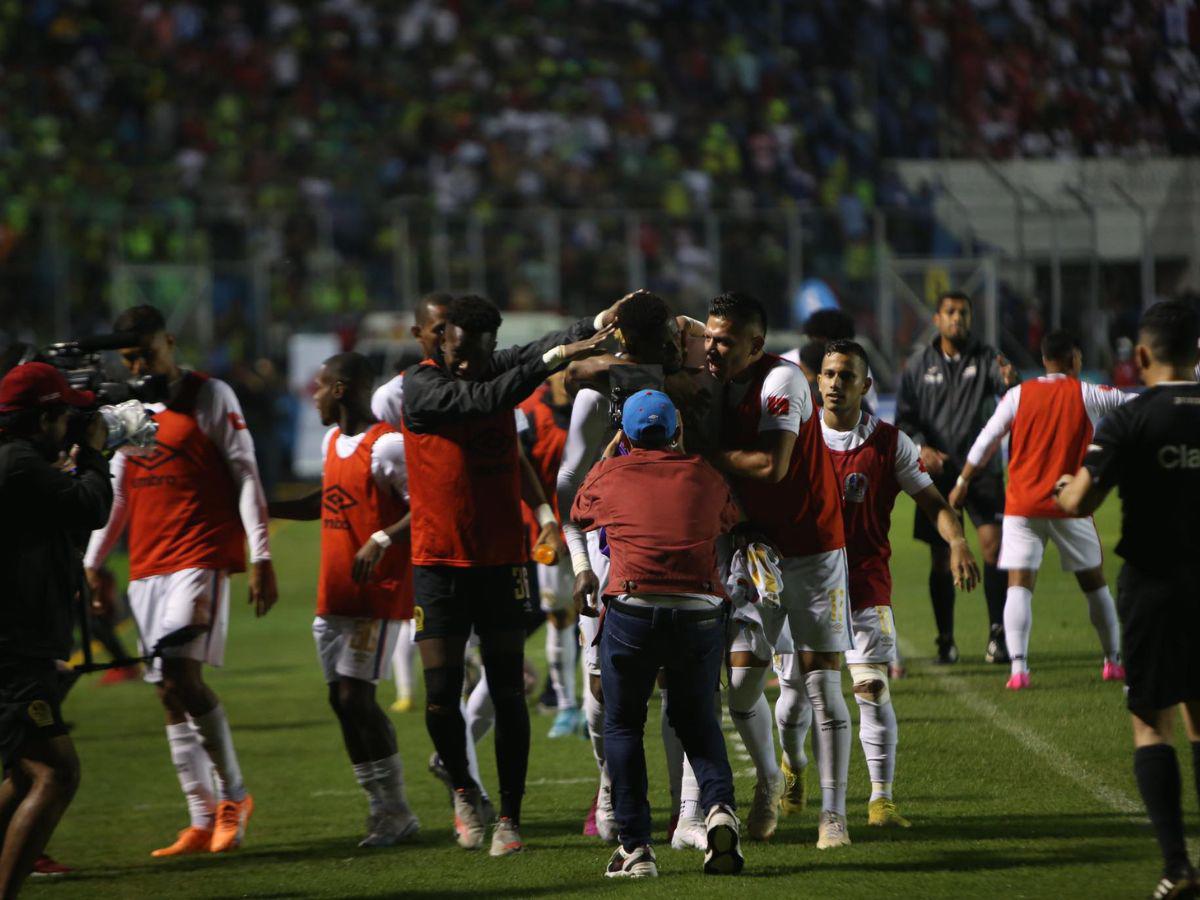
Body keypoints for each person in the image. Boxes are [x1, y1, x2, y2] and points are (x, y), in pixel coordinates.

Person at [400, 293, 612, 856]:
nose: (467, 362)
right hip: (438, 562)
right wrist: (558, 358)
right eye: (458, 349)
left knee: (507, 690)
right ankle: (467, 790)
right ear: (441, 341)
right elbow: (490, 394)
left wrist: (596, 321)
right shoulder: (422, 387)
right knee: (441, 696)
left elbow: (537, 349)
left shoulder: (493, 364)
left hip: (501, 561)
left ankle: (510, 818)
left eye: (479, 351)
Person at [83, 305, 278, 858]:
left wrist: (260, 554)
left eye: (147, 351)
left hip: (200, 556)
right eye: (129, 357)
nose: (140, 362)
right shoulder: (128, 407)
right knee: (167, 695)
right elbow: (119, 488)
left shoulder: (209, 395)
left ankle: (234, 798)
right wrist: (94, 562)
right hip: (146, 566)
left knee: (182, 677)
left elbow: (245, 470)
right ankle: (198, 816)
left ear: (169, 341)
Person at [1055, 301, 1200, 899]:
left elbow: (1080, 500)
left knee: (1151, 726)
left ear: (1141, 356)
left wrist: (1068, 488)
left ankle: (1176, 867)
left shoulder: (1132, 417)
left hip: (1154, 585)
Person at [571, 390, 743, 879]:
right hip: (700, 609)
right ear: (677, 430)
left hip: (634, 605)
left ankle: (635, 848)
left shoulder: (608, 473)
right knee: (698, 721)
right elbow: (730, 517)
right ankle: (719, 812)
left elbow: (580, 511)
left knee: (624, 724)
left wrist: (609, 455)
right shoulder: (705, 475)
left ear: (623, 434)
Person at [703, 291, 852, 850]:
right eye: (710, 337)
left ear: (756, 345)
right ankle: (769, 779)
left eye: (725, 340)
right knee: (741, 684)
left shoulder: (782, 381)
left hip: (812, 548)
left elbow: (772, 465)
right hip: (753, 549)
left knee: (820, 681)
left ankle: (833, 815)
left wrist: (704, 451)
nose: (713, 348)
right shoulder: (716, 368)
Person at [814, 340, 980, 827]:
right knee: (799, 697)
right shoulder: (798, 436)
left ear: (866, 385)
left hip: (865, 582)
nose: (836, 384)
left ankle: (881, 800)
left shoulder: (889, 442)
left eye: (847, 376)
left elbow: (932, 503)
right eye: (828, 374)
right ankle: (794, 769)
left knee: (870, 688)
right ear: (817, 381)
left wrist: (956, 542)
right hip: (805, 581)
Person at [556, 289, 693, 843]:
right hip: (612, 562)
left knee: (682, 691)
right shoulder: (600, 395)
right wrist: (581, 564)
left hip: (678, 557)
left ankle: (684, 813)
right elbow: (568, 488)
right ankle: (609, 786)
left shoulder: (692, 384)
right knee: (601, 697)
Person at [269, 352, 418, 847]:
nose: (312, 395)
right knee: (341, 701)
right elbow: (325, 500)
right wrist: (265, 507)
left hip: (375, 597)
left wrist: (380, 540)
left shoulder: (389, 446)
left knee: (357, 697)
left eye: (319, 385)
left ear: (342, 388)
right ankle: (382, 810)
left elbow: (427, 510)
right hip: (332, 594)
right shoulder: (334, 440)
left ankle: (394, 811)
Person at [951, 329, 1132, 690]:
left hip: (1022, 507)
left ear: (1045, 358)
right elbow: (1133, 403)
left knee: (1019, 585)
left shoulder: (1019, 394)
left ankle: (1019, 669)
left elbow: (986, 439)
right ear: (1074, 358)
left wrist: (962, 481)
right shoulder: (1087, 392)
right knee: (1094, 584)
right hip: (1070, 504)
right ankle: (1113, 661)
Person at [0, 363, 112, 898]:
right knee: (56, 774)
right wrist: (94, 453)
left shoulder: (18, 461)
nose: (70, 420)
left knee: (25, 775)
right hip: (11, 649)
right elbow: (90, 507)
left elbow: (64, 527)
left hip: (20, 643)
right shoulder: (17, 463)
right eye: (64, 412)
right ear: (44, 416)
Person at [896, 290, 1019, 664]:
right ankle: (945, 640)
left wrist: (1014, 382)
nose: (957, 319)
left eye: (963, 313)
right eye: (950, 312)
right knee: (940, 556)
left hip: (981, 471)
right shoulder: (918, 365)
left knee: (993, 549)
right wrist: (920, 447)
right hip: (936, 473)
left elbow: (1014, 398)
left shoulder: (987, 359)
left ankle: (997, 634)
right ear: (937, 319)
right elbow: (904, 418)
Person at [374, 292, 454, 715]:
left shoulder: (480, 381)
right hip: (421, 526)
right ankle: (413, 692)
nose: (446, 338)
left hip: (474, 525)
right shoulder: (393, 395)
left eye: (451, 328)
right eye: (438, 328)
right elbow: (385, 457)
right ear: (418, 333)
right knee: (417, 618)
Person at [517, 373, 583, 739]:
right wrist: (548, 524)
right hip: (549, 534)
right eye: (565, 366)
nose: (571, 374)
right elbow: (520, 474)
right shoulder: (527, 413)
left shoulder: (596, 402)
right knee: (558, 616)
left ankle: (594, 708)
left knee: (600, 619)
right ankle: (566, 705)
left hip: (596, 526)